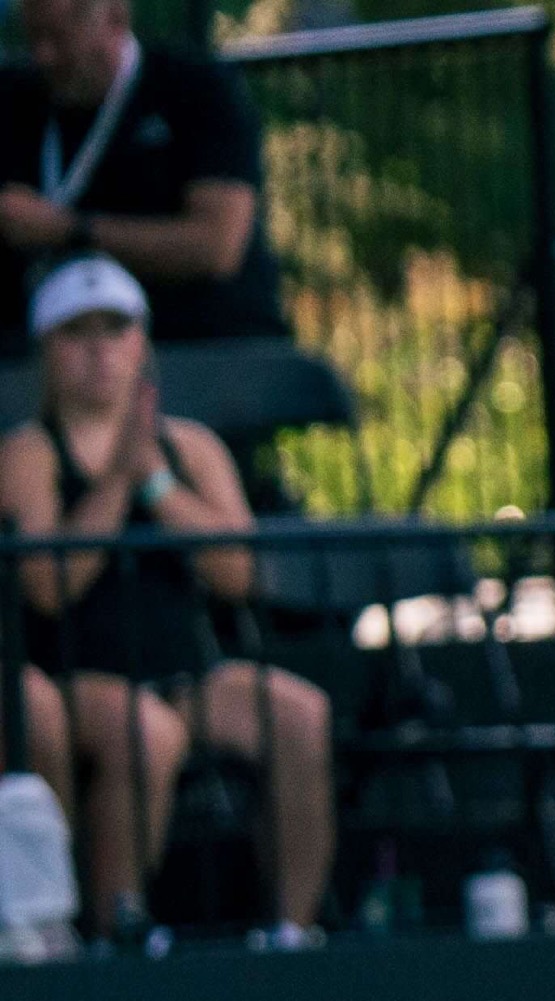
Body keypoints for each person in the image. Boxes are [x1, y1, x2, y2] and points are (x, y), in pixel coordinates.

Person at [0, 255, 326, 941]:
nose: (99, 350)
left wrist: (156, 486)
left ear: (142, 341)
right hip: (71, 678)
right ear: (47, 351)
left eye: (115, 329)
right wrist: (117, 482)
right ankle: (115, 927)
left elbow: (239, 576)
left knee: (300, 714)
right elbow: (49, 589)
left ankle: (290, 933)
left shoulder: (191, 448)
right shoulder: (28, 455)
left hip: (188, 673)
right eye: (76, 332)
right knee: (144, 729)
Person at [0, 0, 281, 355]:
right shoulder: (14, 99)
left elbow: (217, 246)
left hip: (196, 343)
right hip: (39, 354)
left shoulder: (198, 89)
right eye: (33, 38)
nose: (44, 56)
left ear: (115, 19)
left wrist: (68, 230)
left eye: (58, 39)